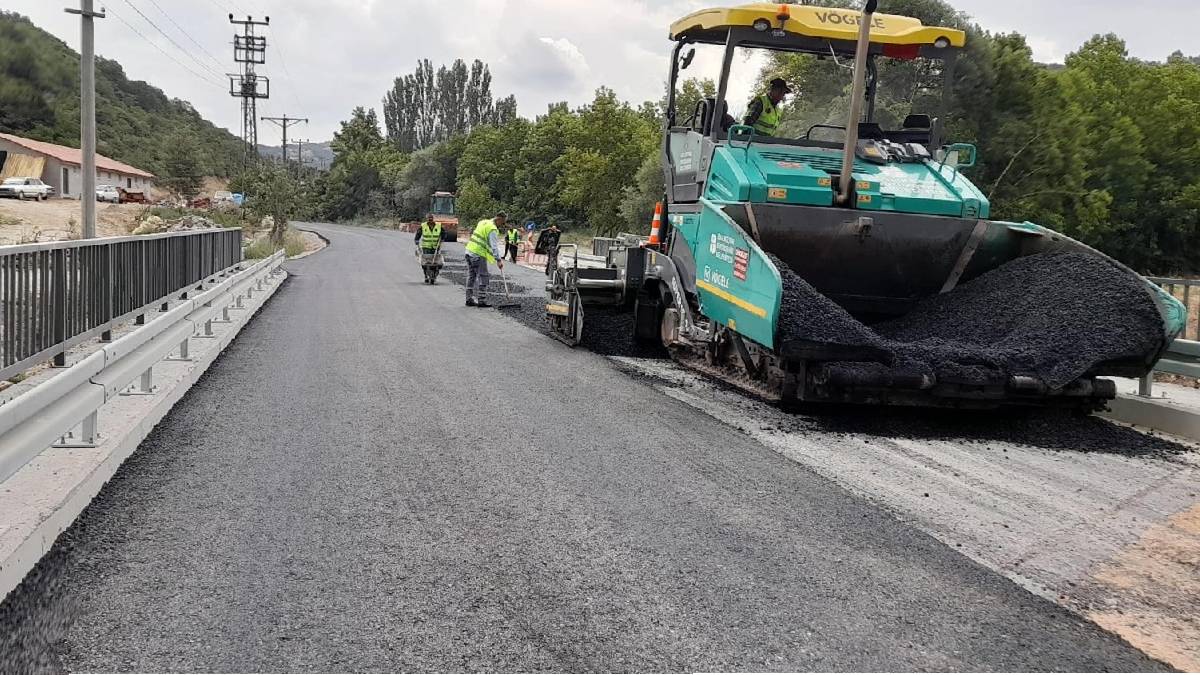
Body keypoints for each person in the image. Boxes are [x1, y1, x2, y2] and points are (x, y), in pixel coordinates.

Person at [463, 211, 507, 308]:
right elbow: (494, 246)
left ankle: (468, 298)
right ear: (499, 219)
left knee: (471, 276)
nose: (502, 225)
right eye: (503, 222)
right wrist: (498, 260)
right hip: (478, 254)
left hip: (469, 251)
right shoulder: (492, 229)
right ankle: (481, 300)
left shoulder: (483, 222)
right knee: (483, 276)